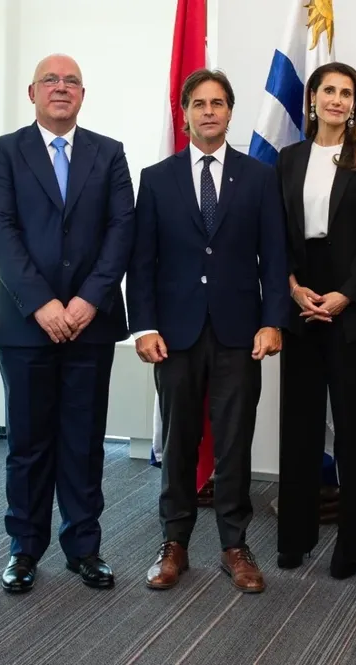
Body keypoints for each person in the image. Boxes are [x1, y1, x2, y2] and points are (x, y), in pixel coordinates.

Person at [128, 68, 289, 594]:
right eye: (199, 103)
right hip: (174, 334)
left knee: (234, 441)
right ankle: (173, 542)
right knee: (179, 440)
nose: (209, 111)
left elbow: (275, 256)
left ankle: (234, 545)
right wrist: (143, 326)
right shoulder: (157, 178)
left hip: (240, 332)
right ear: (185, 113)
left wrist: (272, 321)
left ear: (230, 111)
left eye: (218, 103)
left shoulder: (259, 177)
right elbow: (142, 261)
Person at [0, 54, 135, 593]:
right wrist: (42, 303)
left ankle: (84, 547)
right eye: (50, 80)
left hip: (91, 324)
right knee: (27, 443)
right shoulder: (4, 151)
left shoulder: (109, 153)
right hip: (26, 324)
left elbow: (122, 229)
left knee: (83, 440)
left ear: (83, 94)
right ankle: (24, 548)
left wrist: (89, 300)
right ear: (32, 93)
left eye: (71, 81)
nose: (61, 88)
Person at [274, 62, 356, 579]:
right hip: (302, 303)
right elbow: (277, 232)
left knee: (353, 431)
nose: (337, 100)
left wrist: (345, 294)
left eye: (347, 93)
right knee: (298, 427)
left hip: (352, 307)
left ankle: (351, 546)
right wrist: (292, 287)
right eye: (329, 91)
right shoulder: (289, 158)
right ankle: (294, 538)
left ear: (355, 105)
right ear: (313, 99)